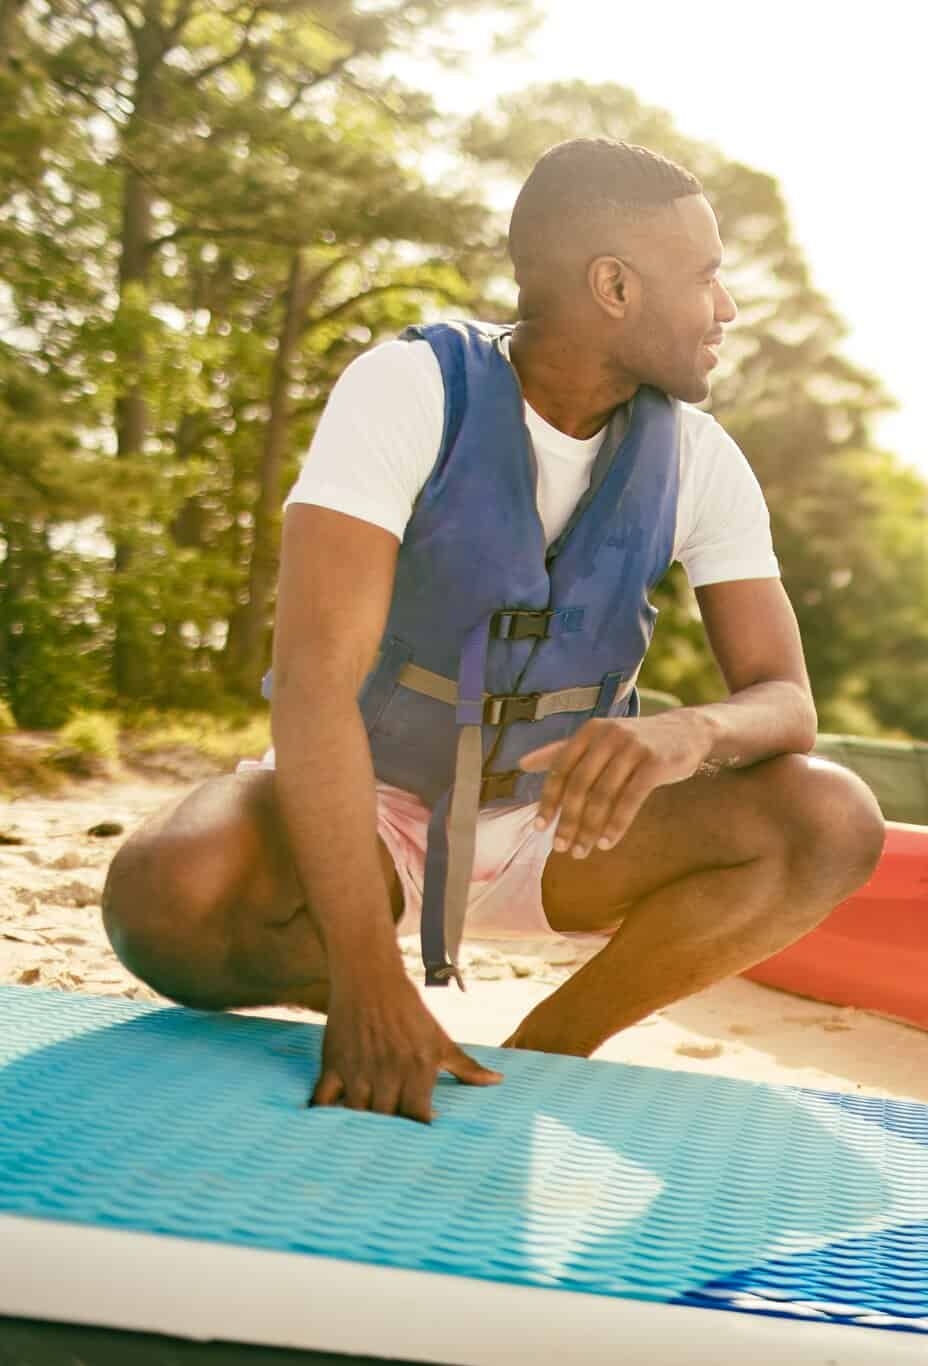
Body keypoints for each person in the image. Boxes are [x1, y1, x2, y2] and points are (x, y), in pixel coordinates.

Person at [100, 138, 885, 1121]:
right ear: (613, 286)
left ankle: (550, 1053)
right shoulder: (409, 389)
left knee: (829, 820)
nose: (725, 309)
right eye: (707, 278)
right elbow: (311, 686)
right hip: (367, 810)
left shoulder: (699, 457)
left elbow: (784, 701)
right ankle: (374, 992)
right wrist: (364, 980)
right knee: (162, 891)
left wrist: (685, 731)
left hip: (558, 829)